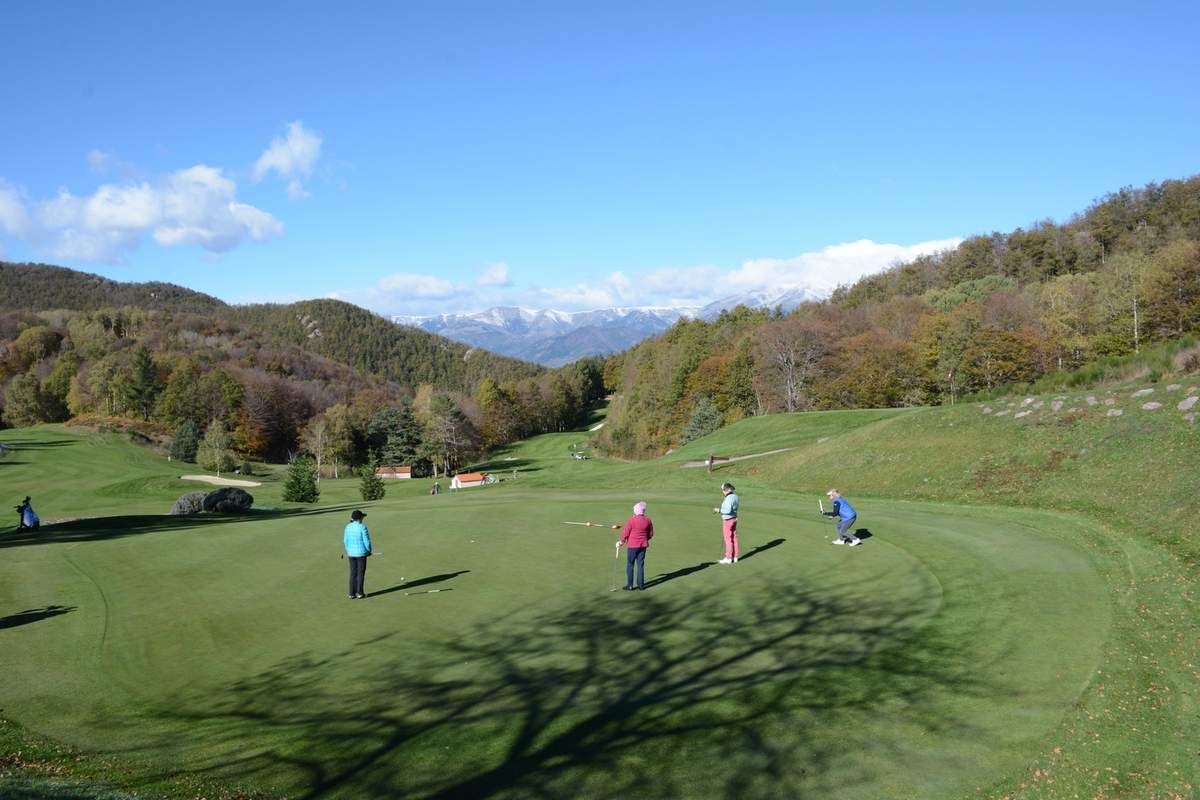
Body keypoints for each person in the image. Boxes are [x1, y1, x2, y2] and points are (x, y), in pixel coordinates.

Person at [616, 501, 654, 590]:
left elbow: (625, 533)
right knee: (640, 565)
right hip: (643, 546)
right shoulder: (648, 520)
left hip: (632, 547)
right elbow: (651, 534)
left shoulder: (632, 520)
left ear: (636, 511)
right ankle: (641, 586)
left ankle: (630, 585)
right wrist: (645, 539)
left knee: (630, 564)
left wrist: (621, 542)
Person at [343, 509, 373, 598]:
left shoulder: (347, 527)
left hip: (351, 554)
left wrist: (348, 551)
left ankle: (351, 594)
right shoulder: (362, 527)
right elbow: (367, 542)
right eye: (362, 517)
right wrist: (369, 551)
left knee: (353, 573)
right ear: (360, 518)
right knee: (360, 573)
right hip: (361, 554)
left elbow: (345, 541)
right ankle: (359, 593)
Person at [712, 482, 739, 564]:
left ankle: (728, 558)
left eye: (723, 490)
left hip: (728, 520)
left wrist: (718, 510)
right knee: (734, 538)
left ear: (726, 490)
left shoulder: (729, 498)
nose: (722, 492)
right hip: (734, 519)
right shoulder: (735, 496)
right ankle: (735, 557)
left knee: (728, 539)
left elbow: (727, 510)